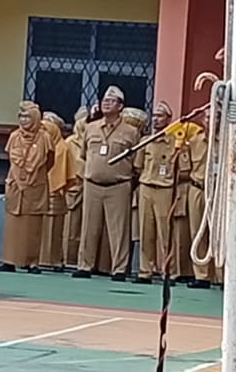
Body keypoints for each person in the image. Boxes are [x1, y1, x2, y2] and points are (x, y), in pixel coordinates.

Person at [74, 85, 137, 281]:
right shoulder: (91, 128)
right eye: (104, 100)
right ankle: (85, 265)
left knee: (118, 230)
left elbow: (136, 161)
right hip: (92, 183)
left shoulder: (131, 132)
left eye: (111, 101)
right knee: (88, 228)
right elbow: (84, 154)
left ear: (120, 106)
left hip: (118, 185)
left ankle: (119, 269)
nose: (106, 103)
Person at [133, 101, 183, 282]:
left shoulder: (174, 142)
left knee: (166, 232)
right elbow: (138, 166)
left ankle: (169, 270)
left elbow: (182, 169)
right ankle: (145, 270)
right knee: (146, 231)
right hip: (146, 186)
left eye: (160, 116)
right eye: (154, 116)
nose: (156, 119)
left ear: (169, 119)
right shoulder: (145, 141)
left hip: (165, 188)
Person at [0, 101, 50, 273]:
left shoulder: (44, 137)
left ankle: (32, 262)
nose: (23, 120)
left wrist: (33, 175)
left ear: (36, 118)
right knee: (12, 224)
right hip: (15, 185)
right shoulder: (14, 136)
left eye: (27, 116)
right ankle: (9, 260)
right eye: (21, 116)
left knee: (33, 227)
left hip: (36, 186)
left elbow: (50, 162)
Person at [181, 114, 216, 288]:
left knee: (218, 233)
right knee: (197, 231)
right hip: (197, 188)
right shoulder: (195, 140)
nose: (211, 120)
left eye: (215, 116)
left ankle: (220, 275)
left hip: (217, 190)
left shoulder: (227, 140)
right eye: (208, 118)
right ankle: (201, 275)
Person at [38, 111, 72, 271]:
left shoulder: (62, 148)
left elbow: (63, 173)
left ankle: (53, 260)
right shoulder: (40, 146)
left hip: (55, 193)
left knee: (54, 230)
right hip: (39, 193)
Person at [63, 105, 89, 269]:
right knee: (71, 227)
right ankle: (68, 259)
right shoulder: (69, 143)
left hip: (91, 187)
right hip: (74, 187)